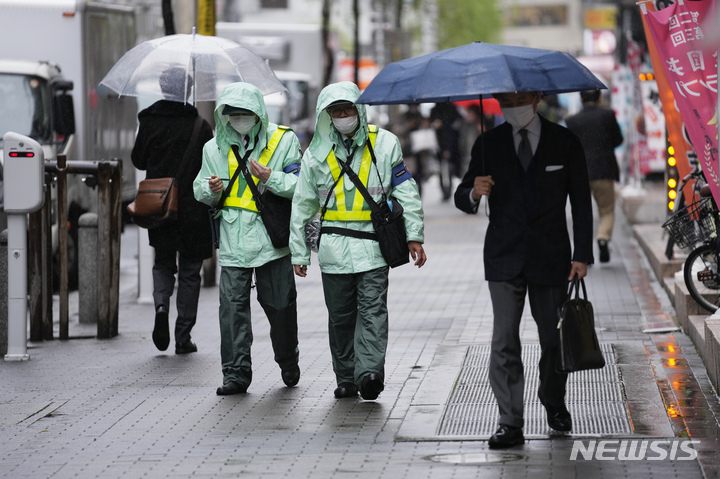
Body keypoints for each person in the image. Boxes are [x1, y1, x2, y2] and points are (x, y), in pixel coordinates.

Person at [454, 91, 593, 449]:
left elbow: (580, 200)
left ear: (537, 98)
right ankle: (510, 420)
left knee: (552, 340)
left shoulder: (565, 141)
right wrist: (474, 192)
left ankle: (552, 398)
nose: (512, 102)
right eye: (505, 98)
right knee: (504, 340)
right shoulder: (488, 142)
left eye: (520, 96)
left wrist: (582, 254)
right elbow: (461, 193)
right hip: (503, 255)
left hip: (552, 257)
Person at [289, 81, 427, 401]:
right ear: (327, 115)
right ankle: (346, 377)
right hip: (334, 251)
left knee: (373, 311)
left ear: (360, 110)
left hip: (374, 248)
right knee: (340, 317)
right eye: (335, 111)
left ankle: (369, 373)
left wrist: (415, 235)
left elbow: (406, 191)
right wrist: (299, 252)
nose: (342, 115)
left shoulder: (385, 144)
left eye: (348, 108)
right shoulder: (316, 154)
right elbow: (303, 205)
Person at [193, 82, 302, 395]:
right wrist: (209, 190)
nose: (239, 118)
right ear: (224, 115)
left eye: (246, 113)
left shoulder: (283, 140)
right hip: (233, 242)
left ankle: (287, 358)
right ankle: (236, 374)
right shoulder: (213, 148)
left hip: (271, 241)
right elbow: (199, 187)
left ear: (259, 114)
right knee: (232, 312)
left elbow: (300, 186)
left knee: (281, 307)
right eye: (233, 113)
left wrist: (271, 178)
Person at [131, 67, 214, 355]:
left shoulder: (149, 119)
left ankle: (162, 306)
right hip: (193, 209)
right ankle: (182, 336)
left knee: (163, 263)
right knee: (191, 271)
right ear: (187, 90)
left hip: (160, 205)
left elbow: (138, 160)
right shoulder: (200, 125)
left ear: (163, 88)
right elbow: (210, 165)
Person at [565, 89, 624, 263]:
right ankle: (602, 238)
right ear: (599, 97)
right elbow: (618, 140)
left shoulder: (572, 121)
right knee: (606, 211)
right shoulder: (607, 116)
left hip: (579, 173)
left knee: (582, 213)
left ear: (580, 99)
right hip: (604, 171)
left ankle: (583, 255)